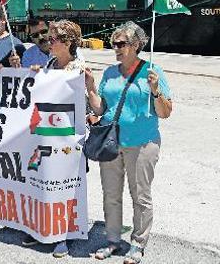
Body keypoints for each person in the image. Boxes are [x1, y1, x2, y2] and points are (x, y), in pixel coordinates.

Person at [85, 21, 173, 264]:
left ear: (136, 45)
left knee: (140, 196)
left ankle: (137, 244)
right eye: (114, 43)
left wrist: (155, 91)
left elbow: (165, 112)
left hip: (143, 143)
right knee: (111, 194)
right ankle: (113, 240)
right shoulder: (110, 73)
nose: (116, 48)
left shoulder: (153, 72)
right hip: (112, 143)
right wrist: (91, 89)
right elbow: (101, 108)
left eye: (121, 43)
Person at [21, 19, 87, 257]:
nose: (48, 42)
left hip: (67, 138)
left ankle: (63, 236)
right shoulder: (49, 63)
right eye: (48, 38)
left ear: (68, 42)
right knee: (42, 180)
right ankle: (41, 227)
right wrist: (38, 76)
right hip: (45, 135)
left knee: (66, 186)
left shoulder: (78, 68)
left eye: (53, 39)